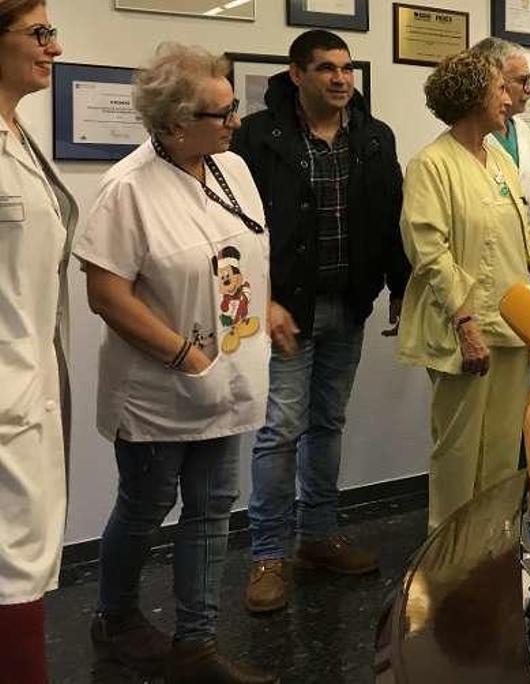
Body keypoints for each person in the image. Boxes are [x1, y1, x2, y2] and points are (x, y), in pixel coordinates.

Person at [73, 44, 275, 683]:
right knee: (146, 502)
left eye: (234, 107)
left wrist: (268, 311)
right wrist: (186, 356)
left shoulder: (232, 169)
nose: (234, 122)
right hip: (160, 385)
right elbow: (106, 294)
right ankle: (116, 617)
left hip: (230, 375)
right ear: (172, 124)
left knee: (215, 506)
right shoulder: (126, 189)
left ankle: (197, 645)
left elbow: (240, 259)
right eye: (220, 114)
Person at [231, 29, 408, 614]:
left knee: (328, 423)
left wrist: (401, 289)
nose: (340, 78)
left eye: (347, 68)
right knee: (280, 430)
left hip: (347, 304)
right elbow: (239, 231)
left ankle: (317, 537)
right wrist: (264, 300)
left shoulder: (375, 138)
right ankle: (266, 556)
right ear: (295, 74)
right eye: (326, 68)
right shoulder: (258, 138)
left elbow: (389, 221)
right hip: (287, 311)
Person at [396, 50, 530, 530]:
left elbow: (525, 233)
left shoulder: (499, 157)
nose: (510, 97)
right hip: (464, 330)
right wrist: (465, 323)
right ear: (474, 95)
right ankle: (447, 558)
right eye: (501, 88)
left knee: (503, 449)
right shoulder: (431, 165)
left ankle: (492, 546)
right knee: (458, 451)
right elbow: (429, 251)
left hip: (512, 325)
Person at [0, 2, 75, 682]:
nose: (55, 47)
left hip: (29, 385)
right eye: (40, 33)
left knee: (24, 560)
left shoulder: (17, 135)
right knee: (12, 568)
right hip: (6, 393)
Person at [473, 37, 530, 293]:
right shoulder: (468, 141)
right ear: (494, 82)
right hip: (494, 279)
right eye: (522, 81)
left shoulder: (523, 132)